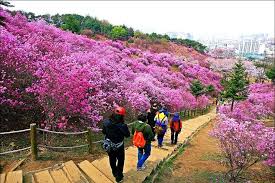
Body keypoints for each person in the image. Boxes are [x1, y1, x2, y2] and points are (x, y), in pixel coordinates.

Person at [102, 106, 130, 183]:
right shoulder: (122, 126)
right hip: (119, 146)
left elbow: (104, 132)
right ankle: (119, 177)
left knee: (112, 159)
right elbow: (127, 135)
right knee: (120, 161)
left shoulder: (106, 122)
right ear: (122, 116)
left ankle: (114, 173)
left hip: (110, 145)